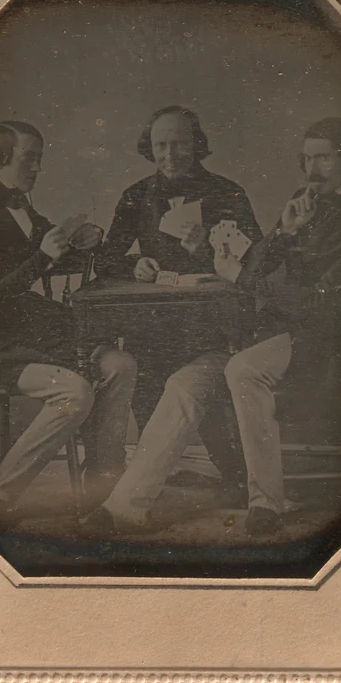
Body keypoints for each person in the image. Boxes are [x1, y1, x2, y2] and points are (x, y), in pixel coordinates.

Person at [0, 121, 136, 518]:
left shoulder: (23, 208)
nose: (36, 168)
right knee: (75, 394)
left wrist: (85, 241)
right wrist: (44, 258)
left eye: (39, 159)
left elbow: (57, 256)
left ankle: (104, 477)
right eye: (28, 158)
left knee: (121, 364)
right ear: (0, 157)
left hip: (35, 334)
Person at [85, 105, 262, 529]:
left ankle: (236, 476)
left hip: (214, 325)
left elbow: (256, 263)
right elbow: (109, 258)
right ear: (150, 147)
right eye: (161, 144)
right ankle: (151, 481)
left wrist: (210, 250)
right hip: (154, 324)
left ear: (196, 143)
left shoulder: (228, 192)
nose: (170, 153)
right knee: (148, 380)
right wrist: (136, 266)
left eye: (179, 143)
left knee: (205, 392)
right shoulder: (135, 195)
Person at [217, 117, 341, 537]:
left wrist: (250, 283)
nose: (311, 170)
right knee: (215, 363)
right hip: (289, 328)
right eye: (306, 159)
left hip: (328, 341)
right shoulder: (305, 200)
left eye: (323, 158)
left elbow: (325, 304)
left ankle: (266, 501)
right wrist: (286, 230)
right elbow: (258, 265)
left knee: (240, 369)